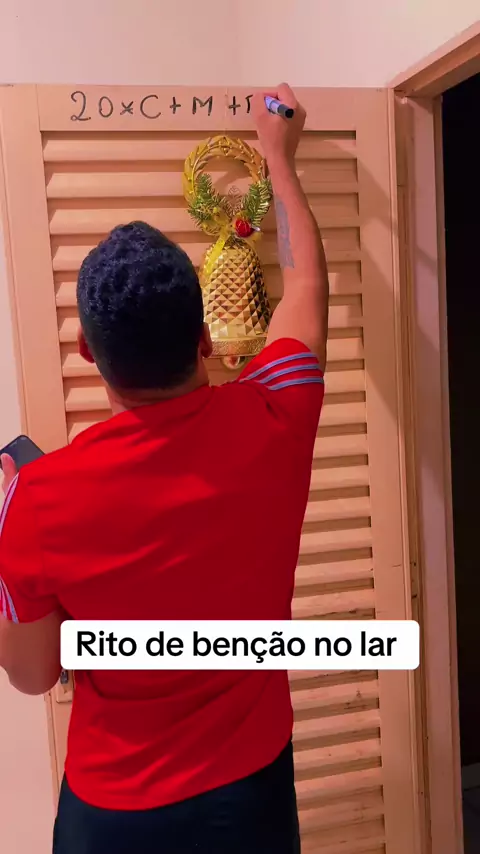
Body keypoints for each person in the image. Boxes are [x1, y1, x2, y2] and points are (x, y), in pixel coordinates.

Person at [0, 84, 329, 854]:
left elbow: (33, 675)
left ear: (88, 352)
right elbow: (307, 286)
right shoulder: (277, 414)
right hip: (249, 797)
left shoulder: (35, 501)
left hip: (114, 813)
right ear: (205, 338)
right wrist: (278, 157)